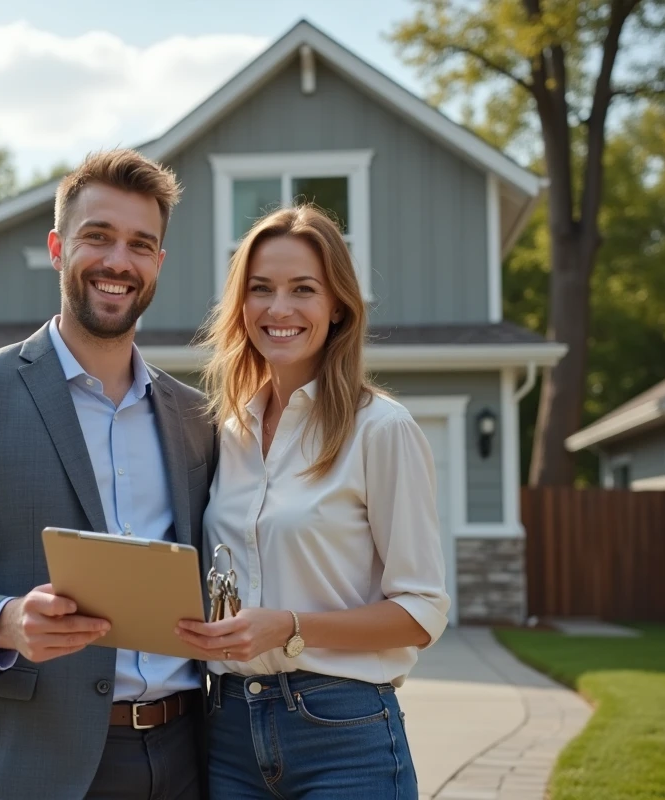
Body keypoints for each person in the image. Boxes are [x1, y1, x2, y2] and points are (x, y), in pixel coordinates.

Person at [0, 148, 217, 800]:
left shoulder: (194, 416)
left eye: (140, 245)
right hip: (32, 765)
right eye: (98, 237)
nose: (118, 261)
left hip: (186, 759)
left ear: (158, 264)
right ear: (58, 247)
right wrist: (4, 622)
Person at [175, 204, 451, 798]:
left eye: (304, 289)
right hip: (225, 733)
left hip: (342, 733)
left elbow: (423, 612)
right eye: (261, 289)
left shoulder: (380, 429)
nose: (279, 309)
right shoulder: (226, 433)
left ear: (338, 307)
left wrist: (289, 627)